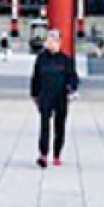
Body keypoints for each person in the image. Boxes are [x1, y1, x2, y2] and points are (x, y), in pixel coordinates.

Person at [30, 29, 79, 168]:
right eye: (50, 40)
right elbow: (36, 77)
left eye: (55, 41)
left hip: (61, 96)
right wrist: (34, 94)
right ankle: (43, 154)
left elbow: (72, 77)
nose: (52, 43)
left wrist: (72, 89)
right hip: (45, 95)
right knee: (44, 125)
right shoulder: (41, 59)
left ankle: (57, 153)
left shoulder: (65, 59)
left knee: (60, 125)